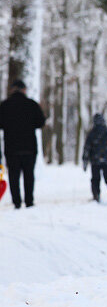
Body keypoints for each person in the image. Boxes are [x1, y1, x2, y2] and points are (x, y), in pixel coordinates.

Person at [0, 79, 46, 209]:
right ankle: (29, 201)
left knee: (14, 175)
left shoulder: (5, 105)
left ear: (12, 89)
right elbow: (41, 123)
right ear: (24, 90)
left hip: (11, 147)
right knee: (28, 175)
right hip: (29, 147)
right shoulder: (32, 105)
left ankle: (17, 202)